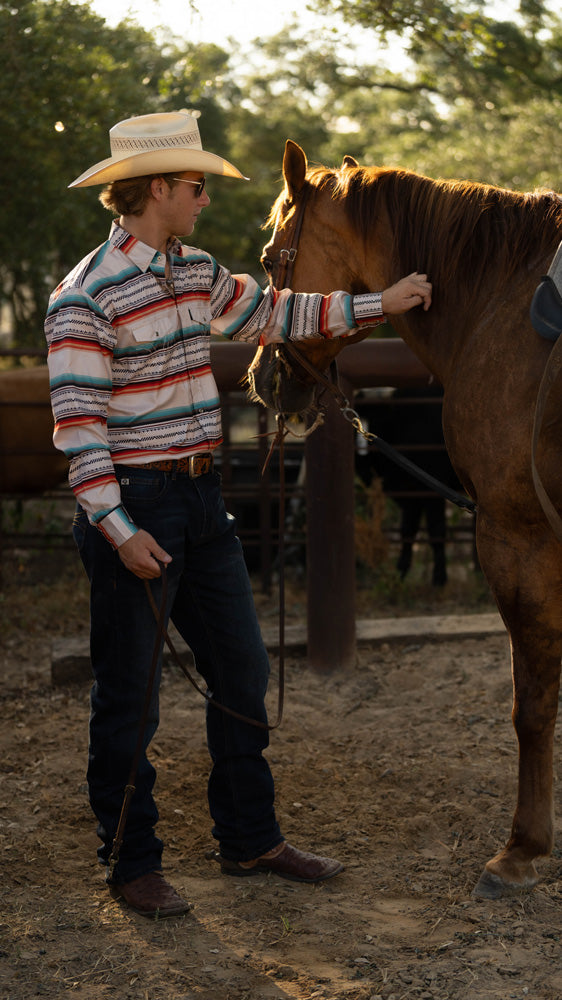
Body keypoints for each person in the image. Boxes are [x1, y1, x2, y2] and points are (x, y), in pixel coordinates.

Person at [45, 110, 432, 919]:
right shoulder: (82, 296)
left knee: (244, 674)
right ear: (157, 189)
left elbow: (277, 313)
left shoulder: (196, 270)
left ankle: (249, 837)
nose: (205, 200)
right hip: (139, 505)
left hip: (200, 498)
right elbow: (80, 434)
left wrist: (377, 304)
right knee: (129, 698)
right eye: (196, 187)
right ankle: (131, 862)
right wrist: (118, 530)